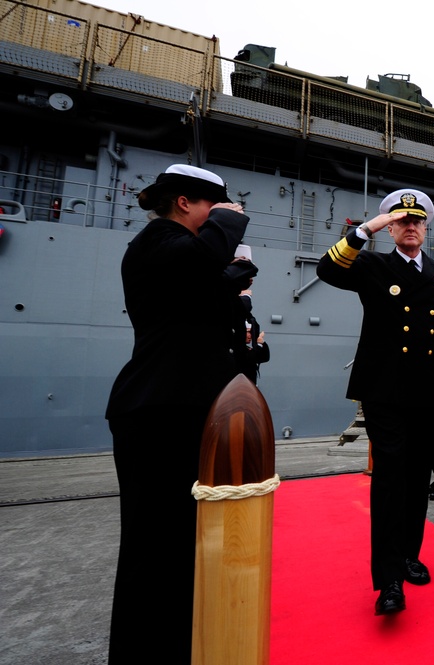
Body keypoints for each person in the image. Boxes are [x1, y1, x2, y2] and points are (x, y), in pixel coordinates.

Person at [105, 164, 252, 664]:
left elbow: (205, 308)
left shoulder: (182, 255)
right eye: (217, 206)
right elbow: (197, 260)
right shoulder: (154, 241)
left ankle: (180, 641)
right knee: (153, 546)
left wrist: (236, 277)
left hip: (187, 408)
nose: (224, 216)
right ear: (184, 202)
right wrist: (231, 224)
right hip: (158, 411)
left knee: (185, 543)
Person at [316, 188, 434, 616]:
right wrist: (367, 229)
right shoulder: (371, 264)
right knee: (389, 481)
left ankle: (408, 554)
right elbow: (327, 268)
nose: (411, 227)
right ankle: (388, 580)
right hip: (385, 390)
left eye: (417, 221)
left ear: (426, 226)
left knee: (418, 477)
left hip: (429, 392)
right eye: (402, 221)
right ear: (390, 227)